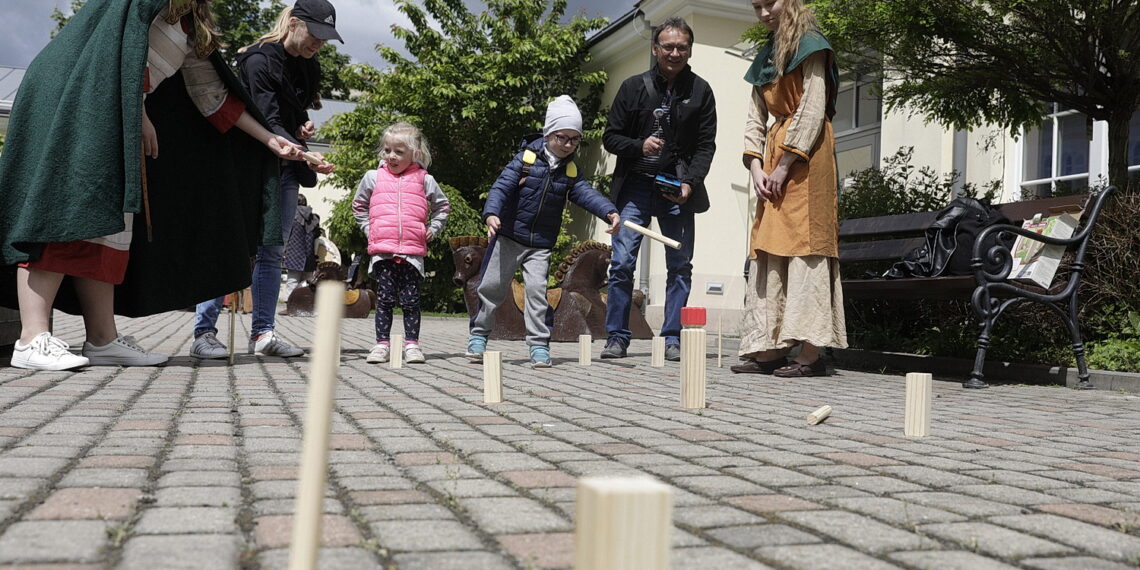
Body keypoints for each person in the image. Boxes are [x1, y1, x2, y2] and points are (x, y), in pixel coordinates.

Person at [0, 0, 309, 371]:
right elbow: (115, 54)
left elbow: (213, 96)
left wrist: (270, 140)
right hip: (77, 101)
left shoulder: (189, 21)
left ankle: (102, 339)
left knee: (109, 222)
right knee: (66, 211)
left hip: (117, 110)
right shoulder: (144, 3)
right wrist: (140, 112)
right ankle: (31, 339)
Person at [190, 0, 338, 360]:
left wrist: (302, 127)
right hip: (250, 164)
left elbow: (293, 113)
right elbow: (266, 121)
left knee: (273, 251)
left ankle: (263, 334)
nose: (318, 43)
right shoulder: (258, 60)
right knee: (233, 245)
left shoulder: (308, 65)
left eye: (325, 38)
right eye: (315, 34)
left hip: (286, 169)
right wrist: (305, 153)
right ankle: (203, 332)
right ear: (294, 23)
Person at [730, 0, 847, 377]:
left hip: (809, 157)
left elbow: (813, 108)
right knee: (771, 245)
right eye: (757, 6)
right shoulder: (767, 51)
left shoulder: (812, 44)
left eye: (771, 3)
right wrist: (754, 166)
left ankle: (811, 353)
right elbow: (754, 114)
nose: (764, 13)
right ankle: (771, 346)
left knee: (807, 247)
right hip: (774, 156)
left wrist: (783, 165)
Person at [466, 96, 621, 368]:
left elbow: (585, 194)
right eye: (562, 137)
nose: (568, 145)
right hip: (509, 237)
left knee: (537, 292)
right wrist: (491, 214)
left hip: (539, 244)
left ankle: (538, 345)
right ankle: (479, 336)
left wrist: (609, 211)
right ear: (549, 133)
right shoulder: (525, 159)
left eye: (575, 139)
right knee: (491, 288)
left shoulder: (571, 170)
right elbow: (501, 187)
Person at [600, 17, 717, 362]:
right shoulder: (632, 87)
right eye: (668, 46)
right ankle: (617, 337)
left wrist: (688, 183)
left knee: (680, 265)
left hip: (676, 190)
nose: (675, 52)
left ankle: (672, 338)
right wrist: (639, 146)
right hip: (634, 187)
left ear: (689, 50)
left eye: (682, 46)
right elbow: (610, 137)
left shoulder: (701, 91)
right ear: (655, 49)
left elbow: (705, 146)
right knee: (621, 263)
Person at [352, 122, 450, 365]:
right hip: (382, 251)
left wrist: (433, 228)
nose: (391, 156)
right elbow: (358, 206)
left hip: (412, 253)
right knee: (384, 299)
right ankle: (381, 344)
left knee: (411, 301)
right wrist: (369, 228)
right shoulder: (373, 177)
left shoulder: (424, 180)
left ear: (415, 154)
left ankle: (412, 345)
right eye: (387, 150)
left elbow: (443, 207)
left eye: (398, 152)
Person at [283, 194, 320, 300]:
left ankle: (291, 304)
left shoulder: (291, 216)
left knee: (292, 281)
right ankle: (307, 304)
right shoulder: (314, 218)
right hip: (309, 255)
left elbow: (285, 234)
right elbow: (317, 236)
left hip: (293, 254)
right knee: (308, 282)